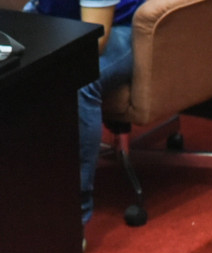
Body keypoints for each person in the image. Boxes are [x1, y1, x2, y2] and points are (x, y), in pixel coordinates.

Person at [28, 0, 144, 228]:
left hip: (119, 30)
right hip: (61, 24)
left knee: (77, 80)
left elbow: (95, 41)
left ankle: (76, 214)